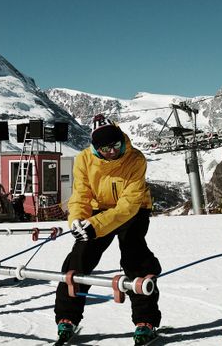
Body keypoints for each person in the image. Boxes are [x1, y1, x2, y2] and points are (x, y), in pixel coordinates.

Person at [54, 114, 162, 345]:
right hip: (97, 210)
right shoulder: (84, 159)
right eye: (105, 148)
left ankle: (146, 321)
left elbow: (128, 204)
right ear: (95, 148)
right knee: (79, 258)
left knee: (135, 257)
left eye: (115, 146)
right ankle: (67, 317)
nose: (111, 152)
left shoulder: (136, 159)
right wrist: (77, 219)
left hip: (133, 211)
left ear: (122, 140)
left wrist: (96, 226)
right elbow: (81, 194)